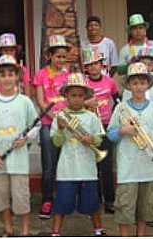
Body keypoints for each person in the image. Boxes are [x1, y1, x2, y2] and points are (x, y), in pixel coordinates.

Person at [107, 62, 153, 237]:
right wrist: (122, 130)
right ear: (129, 85)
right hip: (128, 168)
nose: (139, 86)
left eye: (142, 83)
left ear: (148, 85)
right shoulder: (121, 108)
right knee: (125, 208)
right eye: (135, 83)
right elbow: (111, 135)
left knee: (145, 208)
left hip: (149, 167)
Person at [0, 54, 39, 237]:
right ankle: (8, 229)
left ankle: (25, 231)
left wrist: (26, 138)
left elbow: (36, 125)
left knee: (21, 197)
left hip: (19, 162)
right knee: (1, 197)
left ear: (17, 77)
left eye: (10, 74)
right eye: (3, 74)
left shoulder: (25, 102)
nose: (7, 78)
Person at [50, 73, 107, 237]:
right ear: (66, 95)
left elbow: (99, 139)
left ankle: (98, 230)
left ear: (85, 97)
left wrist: (92, 139)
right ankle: (55, 232)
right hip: (66, 170)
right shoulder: (60, 116)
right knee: (62, 203)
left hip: (88, 169)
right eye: (73, 95)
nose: (76, 99)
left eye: (80, 95)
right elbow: (57, 143)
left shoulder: (91, 117)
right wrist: (61, 129)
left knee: (92, 203)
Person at [32, 35, 70, 219]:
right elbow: (40, 101)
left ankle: (64, 199)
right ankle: (47, 199)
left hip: (67, 124)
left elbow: (72, 99)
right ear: (49, 56)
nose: (61, 60)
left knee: (66, 163)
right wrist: (53, 116)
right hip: (48, 124)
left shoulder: (69, 75)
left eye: (64, 56)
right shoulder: (41, 74)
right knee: (49, 164)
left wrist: (64, 118)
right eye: (58, 56)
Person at [81, 48, 120, 214]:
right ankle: (94, 199)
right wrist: (86, 104)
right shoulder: (82, 83)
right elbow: (74, 103)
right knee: (91, 165)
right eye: (90, 65)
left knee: (107, 165)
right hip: (89, 128)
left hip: (105, 125)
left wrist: (114, 120)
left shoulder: (110, 81)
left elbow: (118, 101)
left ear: (101, 65)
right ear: (86, 68)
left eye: (96, 63)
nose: (94, 67)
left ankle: (110, 200)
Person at [117, 14, 153, 79]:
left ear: (145, 30)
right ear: (130, 32)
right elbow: (119, 71)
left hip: (152, 84)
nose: (138, 31)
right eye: (134, 28)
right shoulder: (125, 49)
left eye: (140, 28)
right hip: (133, 84)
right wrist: (131, 65)